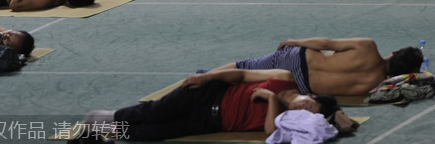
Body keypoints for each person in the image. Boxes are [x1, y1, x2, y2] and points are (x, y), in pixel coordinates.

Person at [72, 68, 340, 142]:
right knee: (157, 111)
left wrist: (270, 100)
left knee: (152, 133)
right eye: (308, 106)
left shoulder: (289, 120)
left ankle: (107, 134)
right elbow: (242, 75)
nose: (302, 111)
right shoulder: (284, 78)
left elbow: (270, 132)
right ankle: (100, 118)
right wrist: (208, 77)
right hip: (210, 94)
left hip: (211, 120)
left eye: (309, 115)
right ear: (311, 95)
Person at [209, 37, 423, 96]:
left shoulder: (368, 46)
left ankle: (206, 77)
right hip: (301, 85)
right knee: (247, 82)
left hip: (298, 58)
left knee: (246, 66)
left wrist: (295, 42)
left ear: (394, 53)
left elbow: (327, 44)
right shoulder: (374, 86)